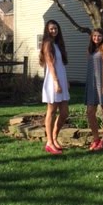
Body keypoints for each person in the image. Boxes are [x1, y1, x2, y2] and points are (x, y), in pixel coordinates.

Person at [39, 19, 70, 155]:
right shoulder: (47, 44)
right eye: (51, 28)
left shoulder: (58, 44)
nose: (54, 31)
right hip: (53, 82)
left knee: (64, 112)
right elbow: (51, 65)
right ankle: (49, 143)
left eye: (55, 28)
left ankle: (54, 137)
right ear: (47, 30)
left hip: (61, 81)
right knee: (51, 112)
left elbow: (61, 65)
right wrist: (56, 82)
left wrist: (65, 81)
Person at [85, 28, 103, 151]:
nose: (96, 38)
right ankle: (96, 139)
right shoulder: (90, 49)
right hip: (92, 83)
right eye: (94, 36)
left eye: (99, 36)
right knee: (90, 111)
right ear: (92, 37)